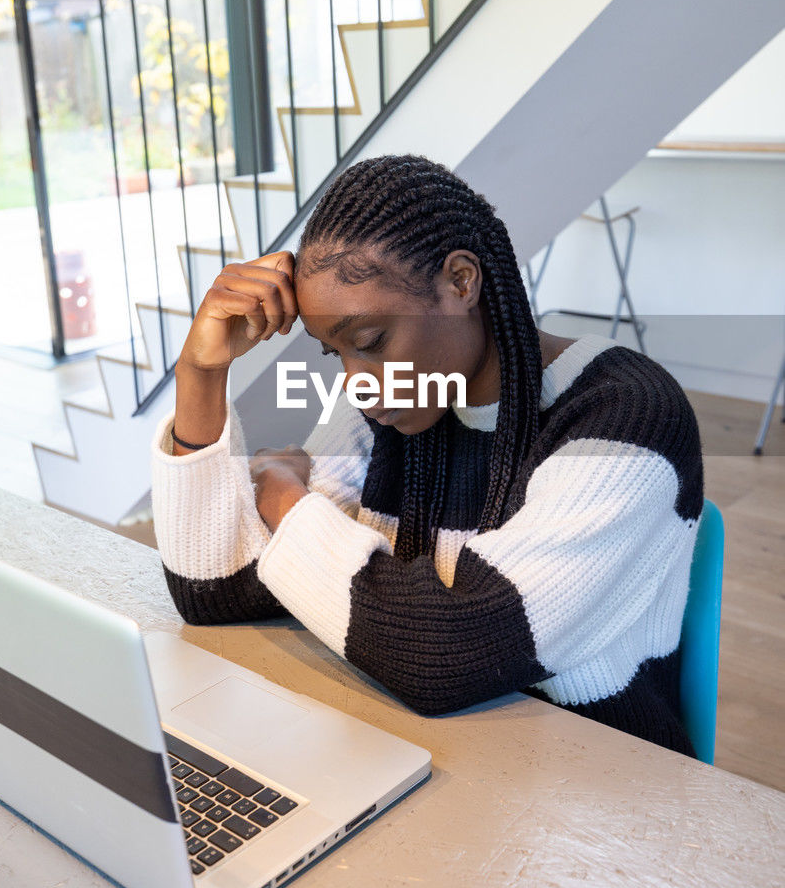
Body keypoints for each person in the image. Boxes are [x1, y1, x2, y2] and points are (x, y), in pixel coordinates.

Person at [151, 155, 704, 756]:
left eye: (371, 342)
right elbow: (219, 588)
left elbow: (445, 652)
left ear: (461, 282)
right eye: (336, 353)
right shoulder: (387, 407)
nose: (356, 383)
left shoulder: (626, 417)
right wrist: (200, 373)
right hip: (429, 755)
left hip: (598, 794)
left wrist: (286, 495)